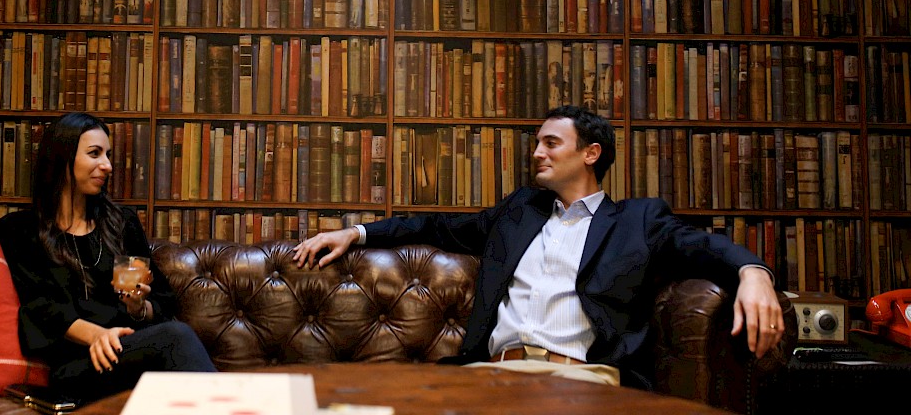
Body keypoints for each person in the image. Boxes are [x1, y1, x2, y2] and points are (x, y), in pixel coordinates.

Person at [293, 105, 786, 388]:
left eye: (551, 143)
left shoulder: (638, 220)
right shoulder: (519, 212)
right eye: (537, 143)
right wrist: (355, 233)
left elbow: (700, 246)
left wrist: (753, 272)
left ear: (590, 154)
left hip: (583, 382)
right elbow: (437, 225)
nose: (537, 153)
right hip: (491, 377)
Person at [0, 112, 216, 404]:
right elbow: (41, 308)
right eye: (94, 154)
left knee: (173, 342)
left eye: (108, 155)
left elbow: (157, 300)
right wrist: (97, 336)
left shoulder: (120, 223)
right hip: (78, 367)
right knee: (175, 338)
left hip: (130, 351)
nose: (108, 166)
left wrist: (139, 307)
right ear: (63, 158)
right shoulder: (22, 230)